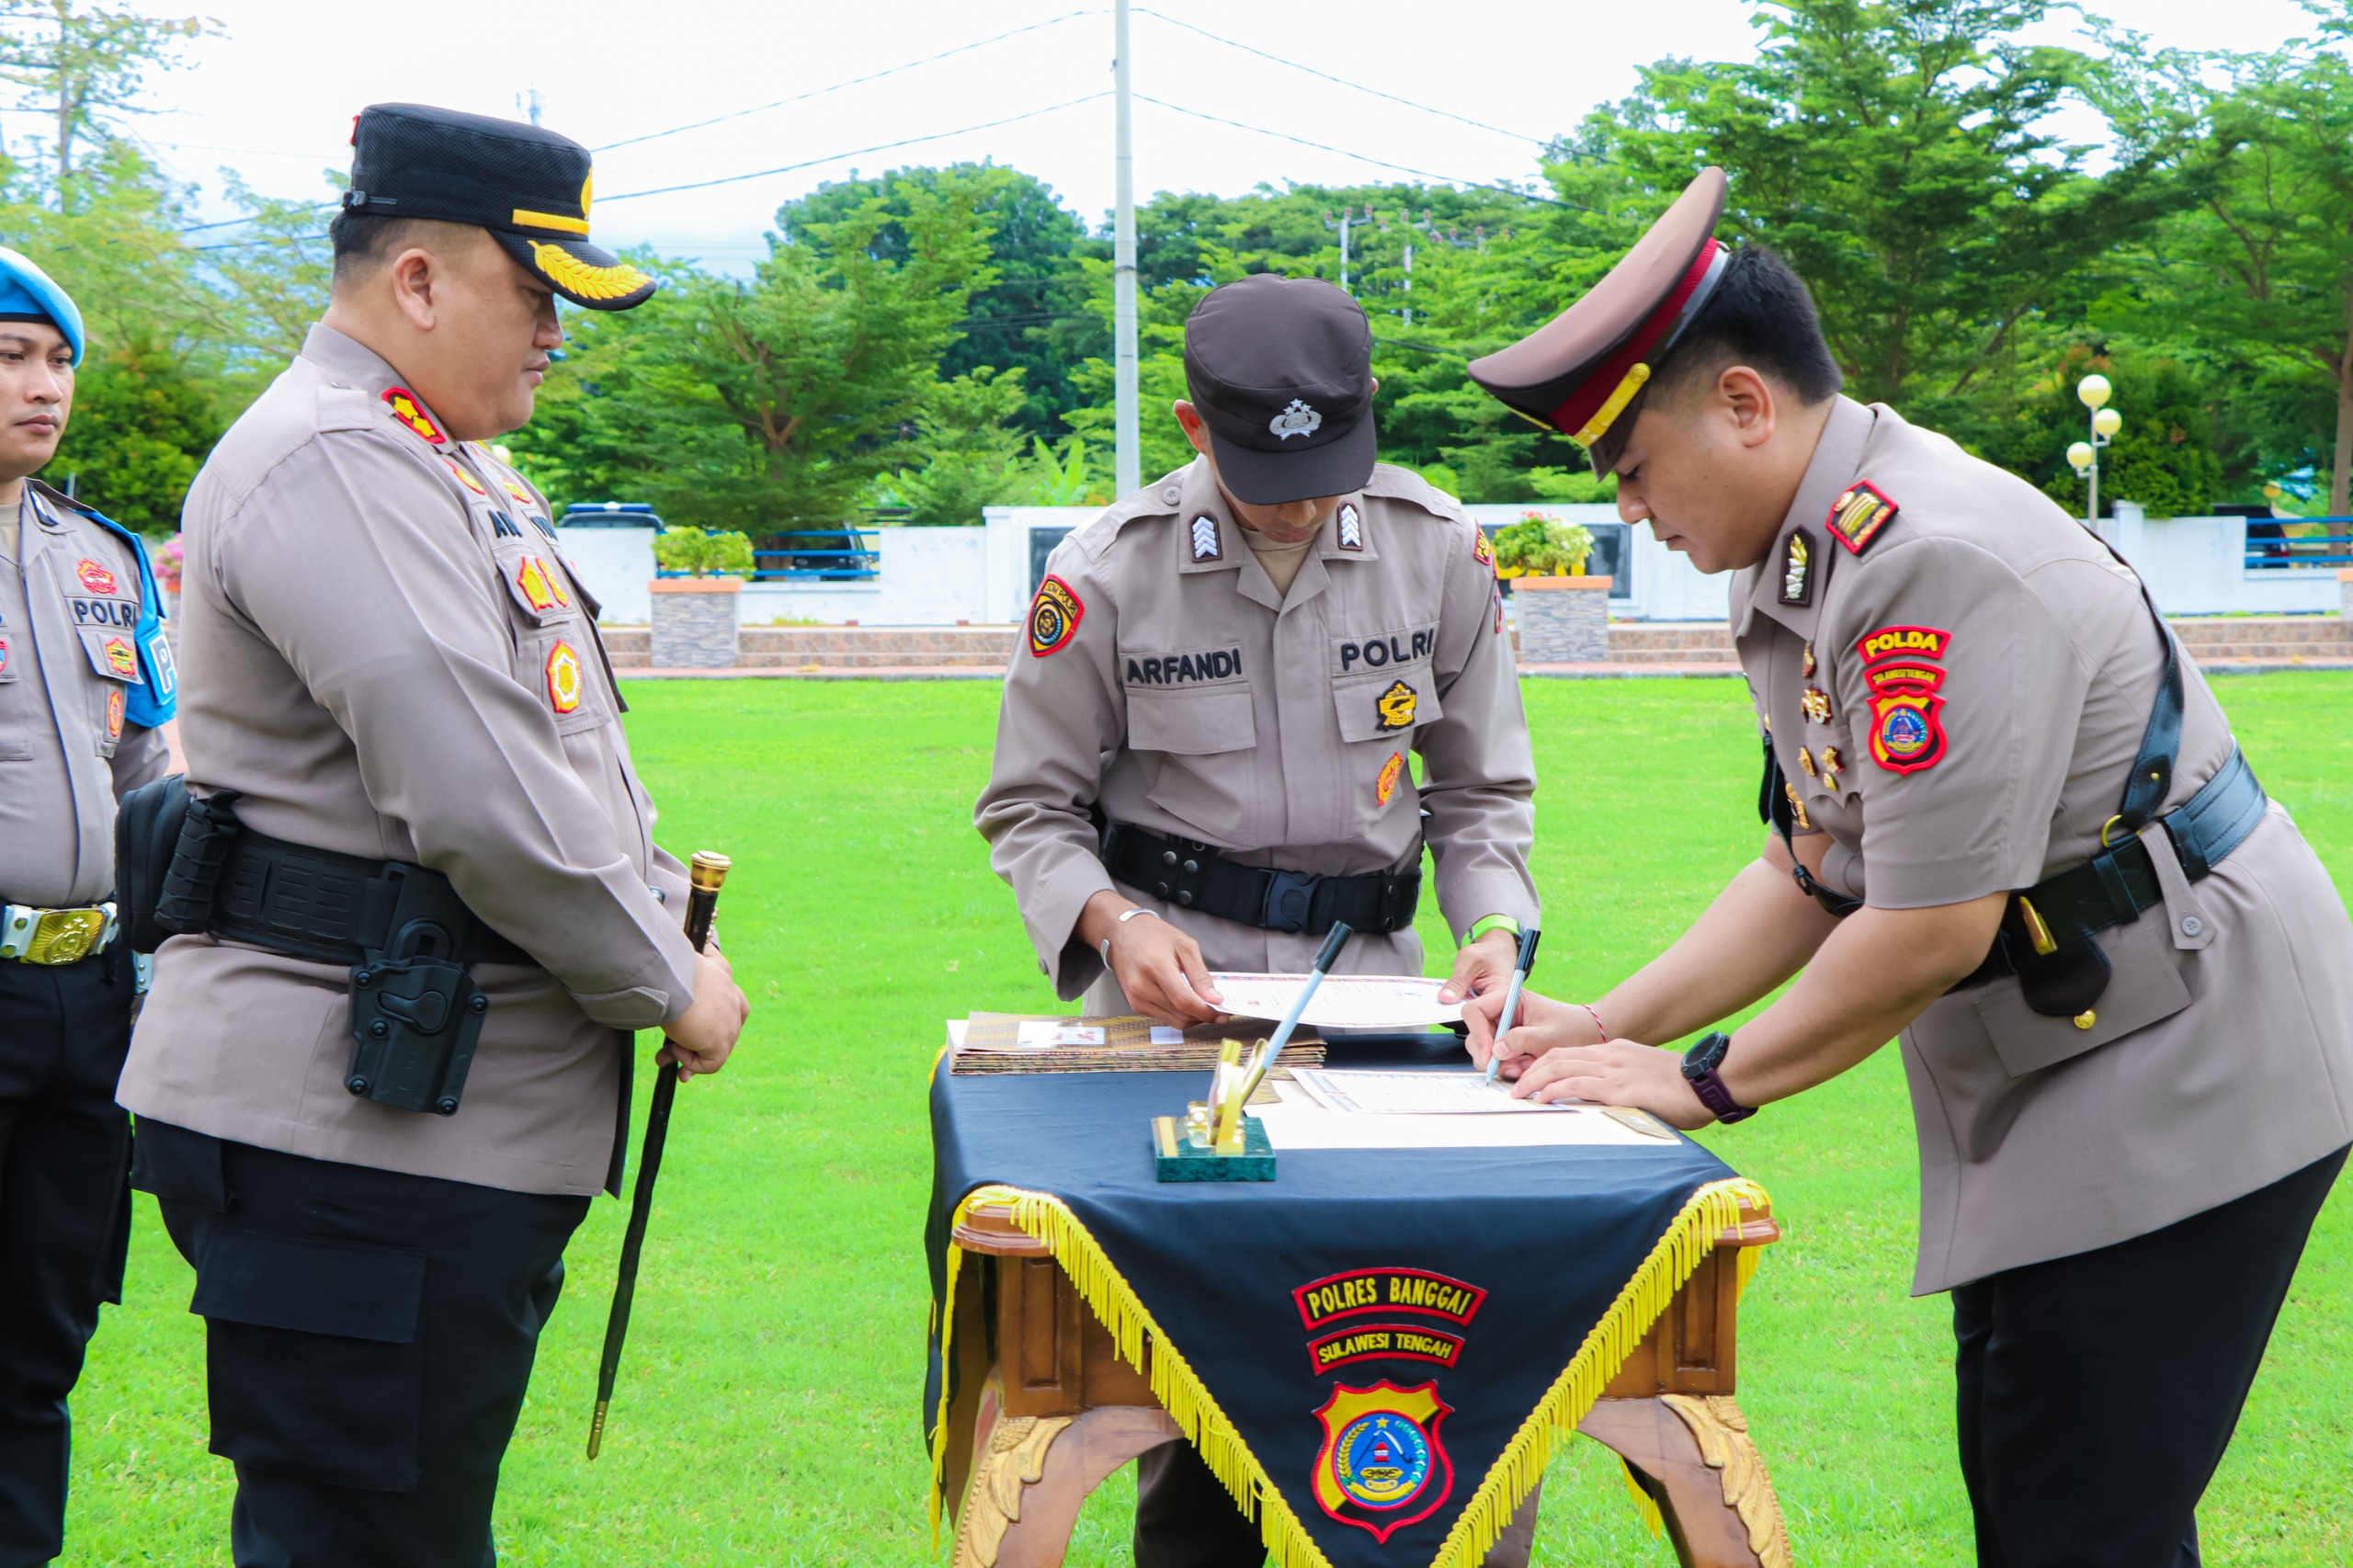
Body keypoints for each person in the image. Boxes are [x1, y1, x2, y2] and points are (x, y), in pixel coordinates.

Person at [1461, 166, 2353, 1567]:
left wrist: (1704, 1080)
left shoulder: (1927, 560)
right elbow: (1814, 866)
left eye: (1633, 469)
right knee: (2034, 1471)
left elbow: (1930, 922)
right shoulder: (1811, 558)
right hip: (2086, 1028)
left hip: (2190, 1049)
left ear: (1747, 406)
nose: (1632, 513)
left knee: (2077, 1511)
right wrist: (1605, 1025)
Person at [112, 104, 750, 1566]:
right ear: (416, 280)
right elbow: (480, 795)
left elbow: (563, 754)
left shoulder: (433, 456)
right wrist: (666, 974)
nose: (553, 336)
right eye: (535, 298)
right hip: (352, 1140)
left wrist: (658, 909)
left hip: (428, 1128)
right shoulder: (337, 459)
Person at [974, 272, 1541, 1568]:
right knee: (1197, 1361)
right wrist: (1113, 925)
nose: (1298, 502)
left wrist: (1496, 926)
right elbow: (1029, 809)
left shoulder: (1436, 549)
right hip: (1175, 1020)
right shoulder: (1107, 574)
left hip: (1385, 1011)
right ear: (1190, 427)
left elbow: (1481, 789)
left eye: (1327, 467)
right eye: (1264, 473)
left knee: (1423, 1332)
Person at [0, 247, 176, 1568]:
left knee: (41, 1331)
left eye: (56, 359)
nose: (42, 385)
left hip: (87, 997)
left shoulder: (99, 559)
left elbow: (146, 775)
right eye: (11, 355)